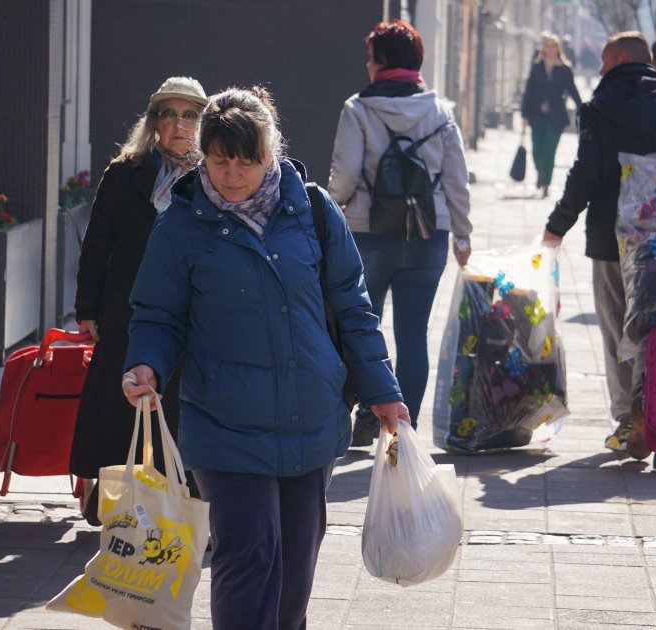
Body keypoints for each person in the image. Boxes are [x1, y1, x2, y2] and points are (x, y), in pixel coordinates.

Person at [121, 86, 409, 629]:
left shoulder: (315, 211)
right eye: (219, 160)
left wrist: (383, 391)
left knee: (296, 563)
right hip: (223, 421)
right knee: (248, 555)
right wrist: (145, 365)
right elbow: (157, 314)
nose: (232, 175)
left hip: (312, 415)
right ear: (202, 155)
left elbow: (352, 306)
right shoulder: (180, 226)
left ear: (272, 152)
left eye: (246, 161)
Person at [541, 32, 656, 456]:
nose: (600, 71)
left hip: (612, 241)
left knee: (615, 327)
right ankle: (654, 411)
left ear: (624, 59)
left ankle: (629, 418)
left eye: (605, 63)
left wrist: (558, 225)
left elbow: (586, 175)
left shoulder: (600, 109)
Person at [70, 76, 207, 526]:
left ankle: (177, 503)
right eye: (169, 114)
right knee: (120, 404)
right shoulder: (125, 171)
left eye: (190, 115)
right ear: (154, 123)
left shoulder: (213, 175)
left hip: (191, 310)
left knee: (179, 405)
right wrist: (87, 307)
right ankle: (112, 500)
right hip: (126, 307)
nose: (179, 124)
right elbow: (97, 244)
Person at [328, 19, 471, 447]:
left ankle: (368, 413)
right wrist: (462, 236)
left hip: (368, 233)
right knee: (413, 334)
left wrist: (330, 207)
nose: (368, 66)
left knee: (359, 328)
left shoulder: (358, 109)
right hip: (429, 236)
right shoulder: (441, 112)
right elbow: (457, 182)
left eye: (371, 57)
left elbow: (346, 176)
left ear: (383, 61)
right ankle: (403, 430)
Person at [521, 33, 584, 198]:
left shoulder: (564, 69)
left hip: (556, 117)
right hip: (537, 115)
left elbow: (572, 90)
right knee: (537, 151)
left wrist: (583, 108)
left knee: (550, 150)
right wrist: (524, 114)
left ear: (558, 49)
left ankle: (546, 183)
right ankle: (541, 173)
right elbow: (528, 92)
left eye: (553, 46)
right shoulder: (537, 67)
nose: (550, 49)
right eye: (547, 46)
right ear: (543, 49)